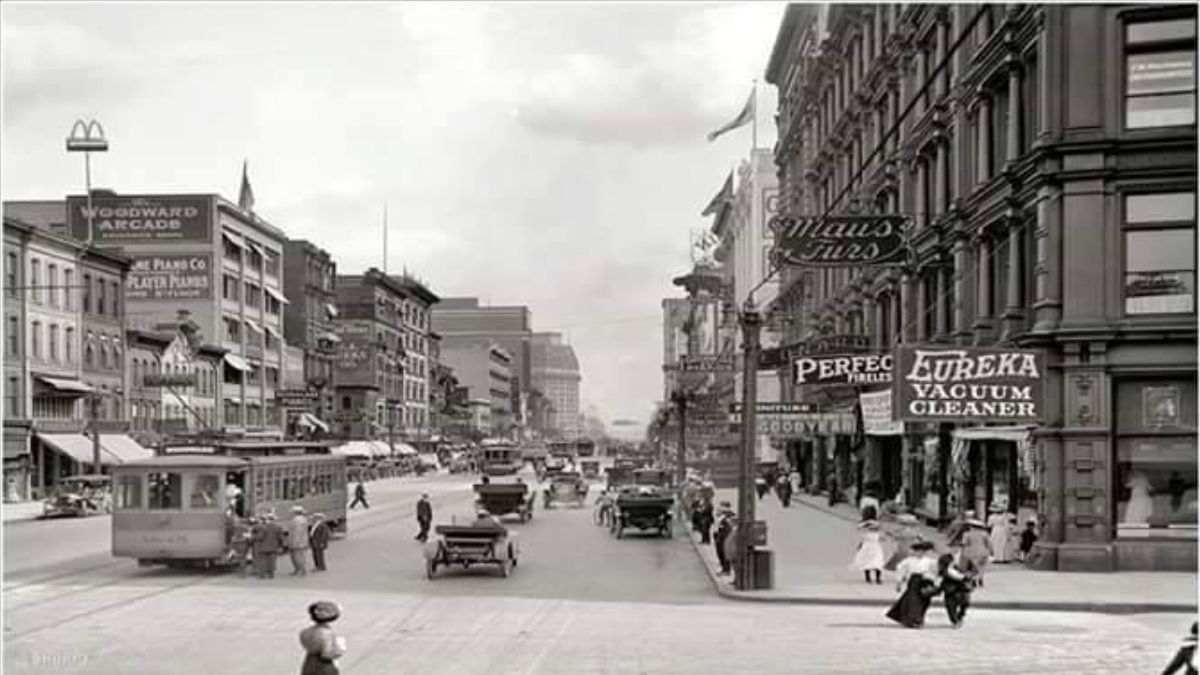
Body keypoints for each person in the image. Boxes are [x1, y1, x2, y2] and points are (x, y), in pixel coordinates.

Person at [885, 540, 939, 628]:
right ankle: (913, 620)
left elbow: (936, 571)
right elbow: (901, 569)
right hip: (914, 581)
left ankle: (919, 618)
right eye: (917, 551)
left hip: (926, 581)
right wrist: (899, 582)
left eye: (922, 551)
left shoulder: (929, 561)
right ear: (914, 552)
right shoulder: (908, 561)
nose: (920, 553)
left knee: (924, 601)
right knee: (913, 601)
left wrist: (934, 581)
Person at [298, 601, 347, 675]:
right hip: (324, 666)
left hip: (309, 663)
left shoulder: (306, 632)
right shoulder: (327, 633)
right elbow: (327, 654)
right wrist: (340, 645)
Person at [936, 552, 976, 628]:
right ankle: (955, 620)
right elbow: (940, 570)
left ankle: (960, 616)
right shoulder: (944, 558)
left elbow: (973, 570)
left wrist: (968, 575)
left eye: (958, 546)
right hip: (949, 584)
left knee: (965, 602)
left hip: (963, 585)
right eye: (953, 546)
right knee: (950, 604)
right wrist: (947, 573)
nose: (955, 549)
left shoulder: (966, 558)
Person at [960, 517, 993, 586]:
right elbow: (989, 543)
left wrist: (962, 552)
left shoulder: (967, 534)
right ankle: (980, 578)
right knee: (982, 566)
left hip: (970, 552)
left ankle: (974, 579)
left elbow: (964, 543)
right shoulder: (985, 534)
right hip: (983, 551)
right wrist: (991, 551)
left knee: (973, 567)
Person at [852, 519, 886, 585]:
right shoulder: (868, 534)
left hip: (873, 549)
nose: (873, 529)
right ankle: (872, 578)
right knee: (870, 563)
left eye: (874, 528)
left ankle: (874, 578)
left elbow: (883, 539)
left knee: (876, 563)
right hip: (871, 549)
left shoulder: (874, 534)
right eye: (872, 528)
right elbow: (862, 539)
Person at [254, 512, 286, 579]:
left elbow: (260, 537)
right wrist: (281, 545)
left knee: (263, 561)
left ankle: (262, 575)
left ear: (267, 519)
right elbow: (281, 537)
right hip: (274, 547)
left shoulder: (264, 527)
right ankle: (271, 575)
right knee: (272, 561)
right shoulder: (278, 527)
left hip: (263, 547)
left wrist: (254, 537)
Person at [287, 505, 310, 576]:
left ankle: (301, 570)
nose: (291, 513)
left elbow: (298, 532)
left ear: (295, 512)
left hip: (297, 542)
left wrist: (294, 543)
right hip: (302, 541)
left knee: (297, 557)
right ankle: (300, 570)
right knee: (300, 556)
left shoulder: (297, 520)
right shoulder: (303, 519)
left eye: (292, 512)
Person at [713, 503, 735, 575]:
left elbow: (727, 530)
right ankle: (723, 568)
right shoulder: (720, 519)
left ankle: (726, 570)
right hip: (719, 538)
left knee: (724, 554)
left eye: (718, 510)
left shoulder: (726, 519)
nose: (717, 511)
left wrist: (721, 538)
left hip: (723, 539)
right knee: (720, 554)